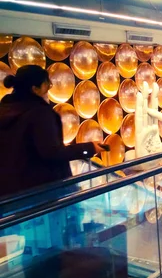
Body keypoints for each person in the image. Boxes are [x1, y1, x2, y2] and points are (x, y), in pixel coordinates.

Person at [0, 65, 108, 199]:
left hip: (10, 192)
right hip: (41, 191)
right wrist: (89, 148)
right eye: (47, 85)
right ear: (35, 89)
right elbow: (52, 152)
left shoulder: (4, 110)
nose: (49, 88)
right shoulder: (39, 113)